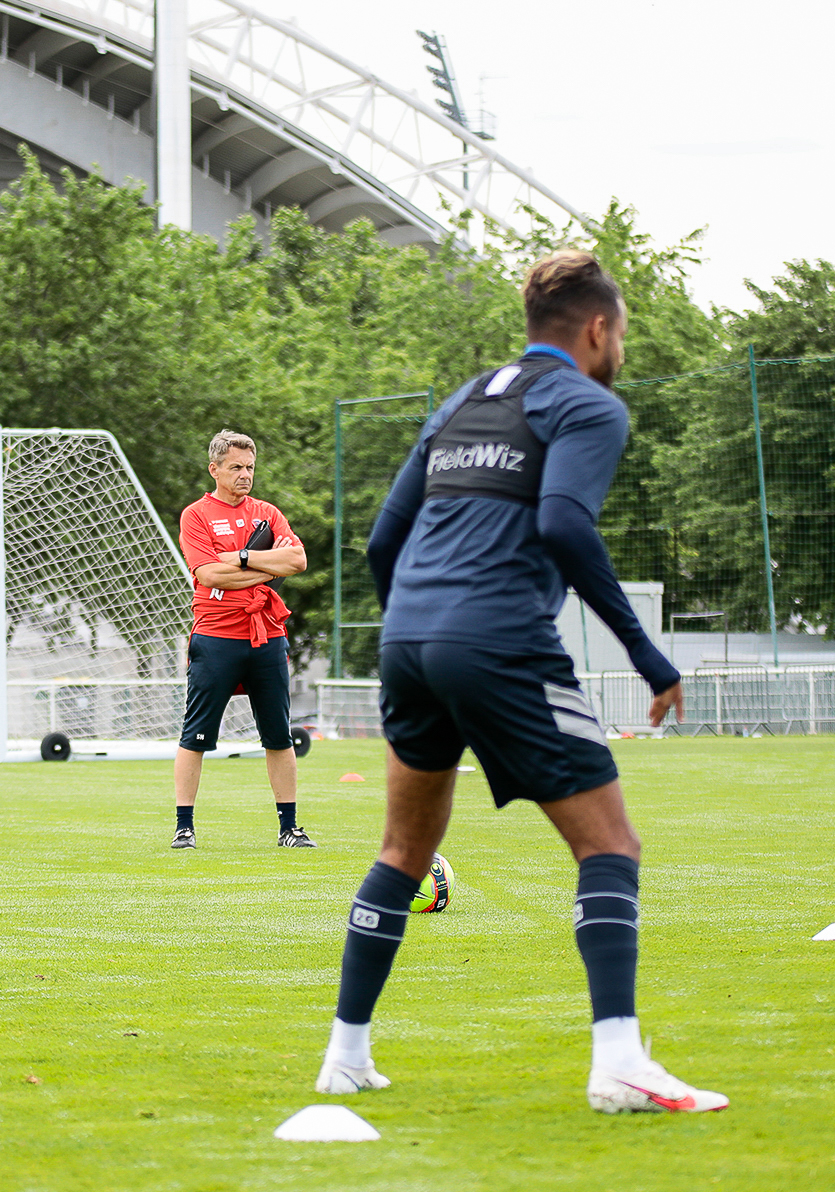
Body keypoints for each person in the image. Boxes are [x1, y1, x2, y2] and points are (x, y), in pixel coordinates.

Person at [312, 251, 728, 1114]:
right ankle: (619, 1061)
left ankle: (344, 1056)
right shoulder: (590, 404)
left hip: (409, 640)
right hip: (498, 639)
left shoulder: (464, 400)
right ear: (597, 329)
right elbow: (565, 525)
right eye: (623, 334)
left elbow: (385, 543)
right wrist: (647, 656)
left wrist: (419, 634)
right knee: (609, 846)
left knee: (403, 852)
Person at [172, 431, 314, 850]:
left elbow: (298, 560)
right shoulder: (195, 515)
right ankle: (184, 827)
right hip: (215, 636)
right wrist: (269, 572)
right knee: (195, 735)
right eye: (236, 467)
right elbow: (210, 574)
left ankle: (289, 828)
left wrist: (245, 558)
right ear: (214, 469)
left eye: (250, 467)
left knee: (278, 735)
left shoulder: (267, 514)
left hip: (267, 635)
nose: (244, 475)